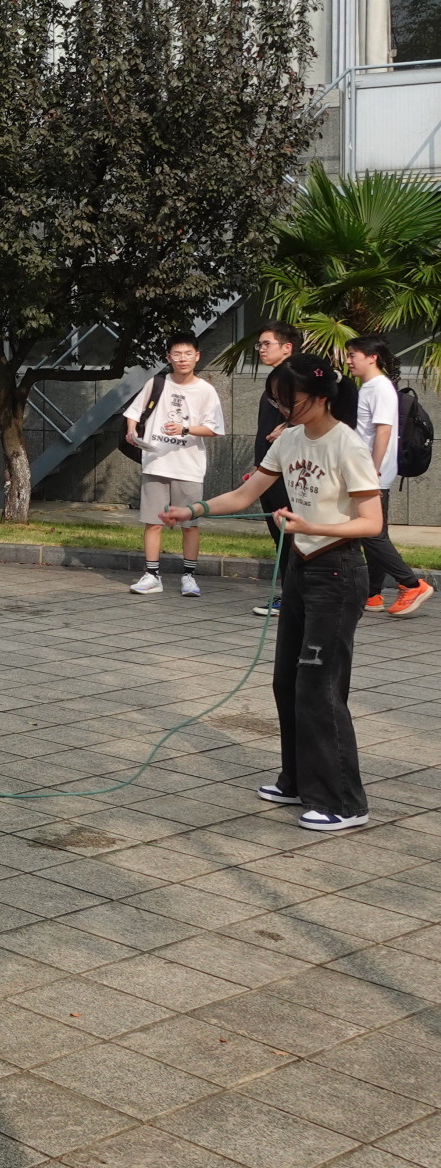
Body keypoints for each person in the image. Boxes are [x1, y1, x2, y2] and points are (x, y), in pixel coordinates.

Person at [161, 354, 382, 832]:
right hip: (301, 567)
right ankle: (298, 780)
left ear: (320, 397)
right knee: (287, 680)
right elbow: (244, 495)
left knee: (320, 686)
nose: (284, 411)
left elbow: (371, 522)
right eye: (278, 403)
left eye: (291, 402)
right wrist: (193, 510)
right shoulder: (290, 440)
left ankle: (344, 802)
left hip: (338, 573)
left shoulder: (347, 444)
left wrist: (311, 526)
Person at [123, 331, 224, 596]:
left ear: (197, 356)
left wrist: (185, 428)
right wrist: (131, 431)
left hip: (188, 467)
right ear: (168, 357)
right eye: (177, 354)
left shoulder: (206, 391)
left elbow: (214, 429)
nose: (182, 359)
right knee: (153, 522)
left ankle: (189, 576)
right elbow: (134, 412)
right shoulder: (157, 383)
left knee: (190, 525)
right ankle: (151, 575)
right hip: (155, 463)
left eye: (188, 354)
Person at [348, 335, 432, 618]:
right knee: (375, 532)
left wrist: (372, 468)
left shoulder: (380, 387)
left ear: (372, 357)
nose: (348, 361)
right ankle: (372, 594)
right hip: (370, 471)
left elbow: (383, 430)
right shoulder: (370, 386)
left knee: (368, 532)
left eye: (353, 355)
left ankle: (412, 584)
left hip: (373, 473)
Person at [251, 322, 300, 618]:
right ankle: (291, 594)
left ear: (287, 347)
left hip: (288, 474)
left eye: (266, 343)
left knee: (289, 537)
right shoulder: (276, 379)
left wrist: (290, 425)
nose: (261, 349)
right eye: (259, 344)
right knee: (280, 537)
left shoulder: (297, 379)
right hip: (268, 472)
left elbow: (321, 414)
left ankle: (294, 598)